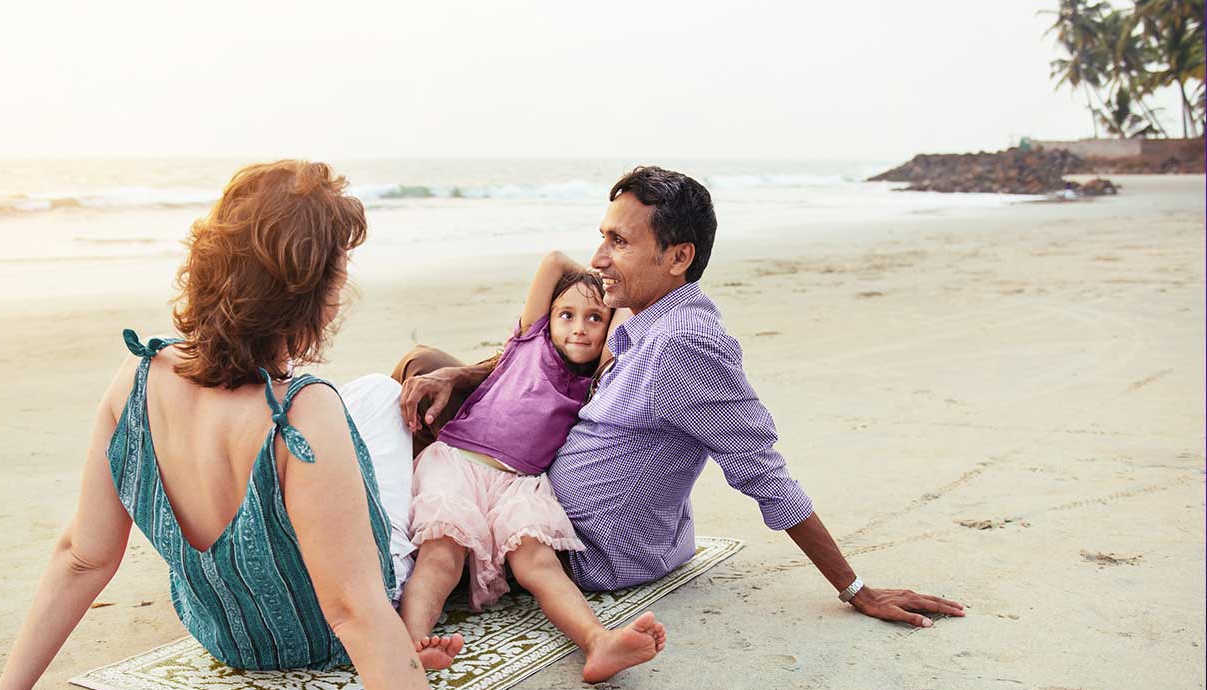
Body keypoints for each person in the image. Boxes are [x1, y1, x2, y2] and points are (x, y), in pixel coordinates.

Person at [0, 161, 568, 690]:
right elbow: (356, 612)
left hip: (225, 636)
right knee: (380, 402)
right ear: (316, 297)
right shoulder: (305, 412)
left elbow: (84, 556)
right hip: (321, 633)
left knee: (369, 398)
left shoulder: (135, 379)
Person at [398, 166, 965, 628]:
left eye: (618, 241)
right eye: (602, 236)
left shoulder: (686, 347)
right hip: (536, 486)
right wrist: (465, 375)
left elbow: (764, 473)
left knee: (412, 396)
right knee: (426, 369)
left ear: (678, 258)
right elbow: (552, 315)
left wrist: (856, 589)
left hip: (582, 547)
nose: (597, 258)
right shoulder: (644, 312)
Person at [397, 253, 667, 683]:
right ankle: (411, 646)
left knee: (539, 563)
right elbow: (554, 261)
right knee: (441, 555)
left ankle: (597, 642)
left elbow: (626, 314)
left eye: (595, 319)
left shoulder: (595, 378)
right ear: (549, 318)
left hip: (521, 484)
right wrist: (592, 278)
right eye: (567, 315)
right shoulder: (527, 342)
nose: (579, 326)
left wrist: (613, 299)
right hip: (458, 463)